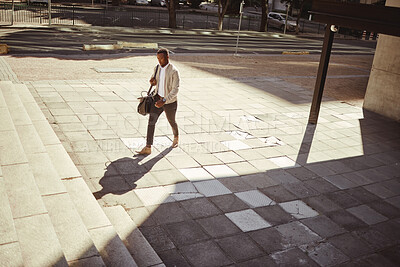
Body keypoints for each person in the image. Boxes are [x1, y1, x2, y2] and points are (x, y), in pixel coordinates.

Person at [136, 48, 180, 155]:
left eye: (161, 58)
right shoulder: (157, 68)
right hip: (157, 99)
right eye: (158, 58)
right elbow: (154, 79)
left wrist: (164, 100)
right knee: (151, 122)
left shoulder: (174, 71)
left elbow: (176, 89)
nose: (159, 61)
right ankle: (148, 147)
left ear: (167, 57)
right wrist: (152, 81)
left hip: (169, 102)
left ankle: (176, 137)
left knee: (172, 121)